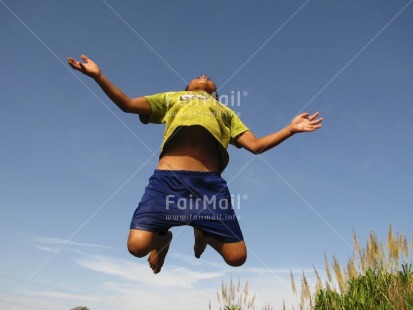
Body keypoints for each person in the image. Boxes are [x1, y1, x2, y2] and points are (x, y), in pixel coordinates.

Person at [68, 55, 323, 274]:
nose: (203, 75)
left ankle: (202, 232)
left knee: (237, 258)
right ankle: (163, 238)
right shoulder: (173, 98)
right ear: (187, 88)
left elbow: (255, 146)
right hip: (168, 182)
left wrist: (290, 129)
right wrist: (98, 77)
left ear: (215, 93)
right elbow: (128, 105)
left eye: (209, 78)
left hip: (209, 188)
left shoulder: (225, 111)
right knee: (136, 247)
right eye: (197, 76)